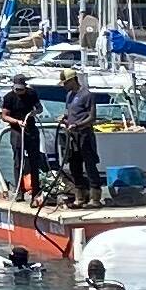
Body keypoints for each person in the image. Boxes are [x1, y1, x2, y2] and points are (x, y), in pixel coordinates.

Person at [0, 76, 44, 202]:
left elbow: (40, 108)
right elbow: (4, 116)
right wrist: (17, 121)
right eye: (17, 89)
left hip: (31, 130)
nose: (19, 92)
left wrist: (34, 112)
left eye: (21, 90)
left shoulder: (32, 94)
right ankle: (19, 191)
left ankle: (36, 191)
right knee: (18, 161)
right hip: (17, 131)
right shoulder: (9, 97)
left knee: (34, 161)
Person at [55, 71, 101, 204]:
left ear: (72, 81)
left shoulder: (87, 95)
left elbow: (92, 117)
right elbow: (70, 113)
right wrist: (65, 119)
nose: (64, 86)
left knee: (90, 165)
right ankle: (80, 195)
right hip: (72, 136)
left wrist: (78, 125)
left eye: (65, 83)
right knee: (75, 166)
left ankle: (95, 197)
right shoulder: (69, 95)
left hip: (85, 135)